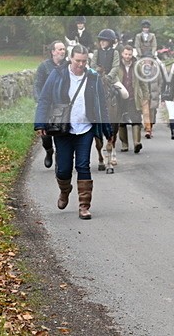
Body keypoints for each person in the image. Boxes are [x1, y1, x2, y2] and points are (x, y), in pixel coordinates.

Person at [34, 45, 113, 220]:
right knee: (63, 169)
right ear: (70, 58)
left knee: (83, 165)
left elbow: (102, 105)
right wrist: (40, 123)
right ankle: (65, 189)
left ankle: (84, 206)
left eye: (84, 61)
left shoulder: (93, 77)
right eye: (78, 61)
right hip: (63, 128)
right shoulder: (58, 74)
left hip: (85, 128)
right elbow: (45, 99)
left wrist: (107, 128)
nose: (81, 64)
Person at [34, 40, 67, 168]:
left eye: (63, 49)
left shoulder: (68, 66)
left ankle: (60, 158)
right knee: (45, 136)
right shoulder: (44, 66)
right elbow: (37, 85)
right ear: (53, 52)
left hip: (62, 106)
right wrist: (39, 100)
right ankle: (49, 151)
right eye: (59, 49)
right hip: (47, 105)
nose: (62, 52)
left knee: (62, 133)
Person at [115, 44, 150, 153]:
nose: (128, 56)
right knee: (121, 121)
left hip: (133, 97)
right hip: (120, 97)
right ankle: (124, 144)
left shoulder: (137, 65)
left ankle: (136, 143)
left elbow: (143, 81)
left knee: (136, 119)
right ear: (122, 54)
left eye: (130, 54)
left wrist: (145, 96)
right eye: (126, 54)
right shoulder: (117, 66)